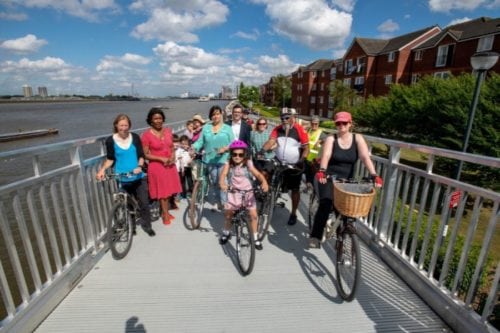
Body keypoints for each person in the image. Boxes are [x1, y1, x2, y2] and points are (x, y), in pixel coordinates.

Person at [309, 111, 382, 248]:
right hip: (329, 177)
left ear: (350, 124)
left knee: (345, 210)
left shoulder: (357, 138)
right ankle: (315, 235)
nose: (341, 125)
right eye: (338, 123)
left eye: (344, 123)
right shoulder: (332, 138)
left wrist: (374, 174)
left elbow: (365, 157)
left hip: (346, 180)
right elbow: (326, 155)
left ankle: (341, 238)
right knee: (326, 203)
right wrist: (322, 171)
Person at [96, 114, 155, 237]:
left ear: (129, 126)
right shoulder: (110, 140)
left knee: (144, 202)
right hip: (122, 177)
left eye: (126, 125)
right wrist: (102, 170)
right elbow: (110, 159)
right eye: (121, 125)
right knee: (127, 204)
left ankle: (147, 225)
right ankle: (132, 227)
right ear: (116, 125)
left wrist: (139, 166)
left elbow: (141, 156)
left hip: (138, 176)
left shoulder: (135, 137)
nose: (123, 127)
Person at [262, 107, 309, 226]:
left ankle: (293, 213)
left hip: (293, 164)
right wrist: (262, 150)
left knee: (295, 189)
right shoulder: (277, 129)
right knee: (265, 172)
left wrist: (302, 159)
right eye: (282, 118)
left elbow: (306, 148)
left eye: (287, 117)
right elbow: (271, 142)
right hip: (278, 161)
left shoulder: (299, 130)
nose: (284, 120)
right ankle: (267, 194)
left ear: (292, 118)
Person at [218, 140, 269, 250]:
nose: (237, 157)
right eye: (234, 154)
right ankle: (226, 232)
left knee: (253, 215)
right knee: (228, 214)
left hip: (248, 194)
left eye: (240, 154)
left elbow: (257, 174)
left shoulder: (248, 163)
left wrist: (264, 182)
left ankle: (255, 237)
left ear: (244, 155)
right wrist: (222, 183)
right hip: (233, 192)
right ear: (231, 154)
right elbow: (223, 174)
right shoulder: (229, 164)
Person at [141, 107, 182, 225]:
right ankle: (164, 214)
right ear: (150, 120)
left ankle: (166, 211)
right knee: (163, 192)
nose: (158, 121)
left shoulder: (168, 131)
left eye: (160, 118)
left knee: (169, 190)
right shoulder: (146, 135)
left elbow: (171, 147)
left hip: (169, 164)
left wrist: (173, 156)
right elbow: (146, 154)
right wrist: (160, 158)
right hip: (156, 166)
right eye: (155, 118)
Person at [192, 105, 234, 209]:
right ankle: (219, 200)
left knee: (222, 181)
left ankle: (225, 203)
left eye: (217, 114)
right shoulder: (206, 127)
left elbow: (233, 144)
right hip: (210, 159)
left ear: (221, 114)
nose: (215, 116)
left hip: (224, 159)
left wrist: (225, 148)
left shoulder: (227, 128)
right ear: (211, 116)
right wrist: (193, 148)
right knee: (214, 182)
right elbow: (200, 141)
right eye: (213, 114)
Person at [304, 115, 327, 189]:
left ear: (318, 124)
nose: (314, 125)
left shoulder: (321, 133)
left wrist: (321, 141)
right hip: (306, 157)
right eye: (312, 123)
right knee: (307, 176)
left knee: (313, 177)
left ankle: (313, 191)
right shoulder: (308, 130)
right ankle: (308, 187)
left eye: (316, 124)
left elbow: (327, 140)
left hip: (315, 159)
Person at [250, 117, 275, 182]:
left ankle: (266, 188)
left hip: (269, 157)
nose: (262, 125)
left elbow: (276, 143)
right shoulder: (253, 133)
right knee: (258, 175)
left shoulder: (270, 133)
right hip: (257, 158)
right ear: (257, 125)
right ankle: (261, 189)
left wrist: (271, 147)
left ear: (266, 125)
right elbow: (251, 145)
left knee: (264, 174)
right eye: (260, 124)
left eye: (263, 124)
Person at [176, 134, 193, 199]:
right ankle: (183, 194)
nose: (184, 145)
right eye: (182, 144)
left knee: (189, 180)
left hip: (188, 167)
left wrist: (189, 151)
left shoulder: (190, 149)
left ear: (188, 143)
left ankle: (191, 192)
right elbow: (178, 158)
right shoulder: (179, 150)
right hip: (181, 168)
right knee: (182, 181)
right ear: (180, 143)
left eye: (186, 144)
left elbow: (192, 156)